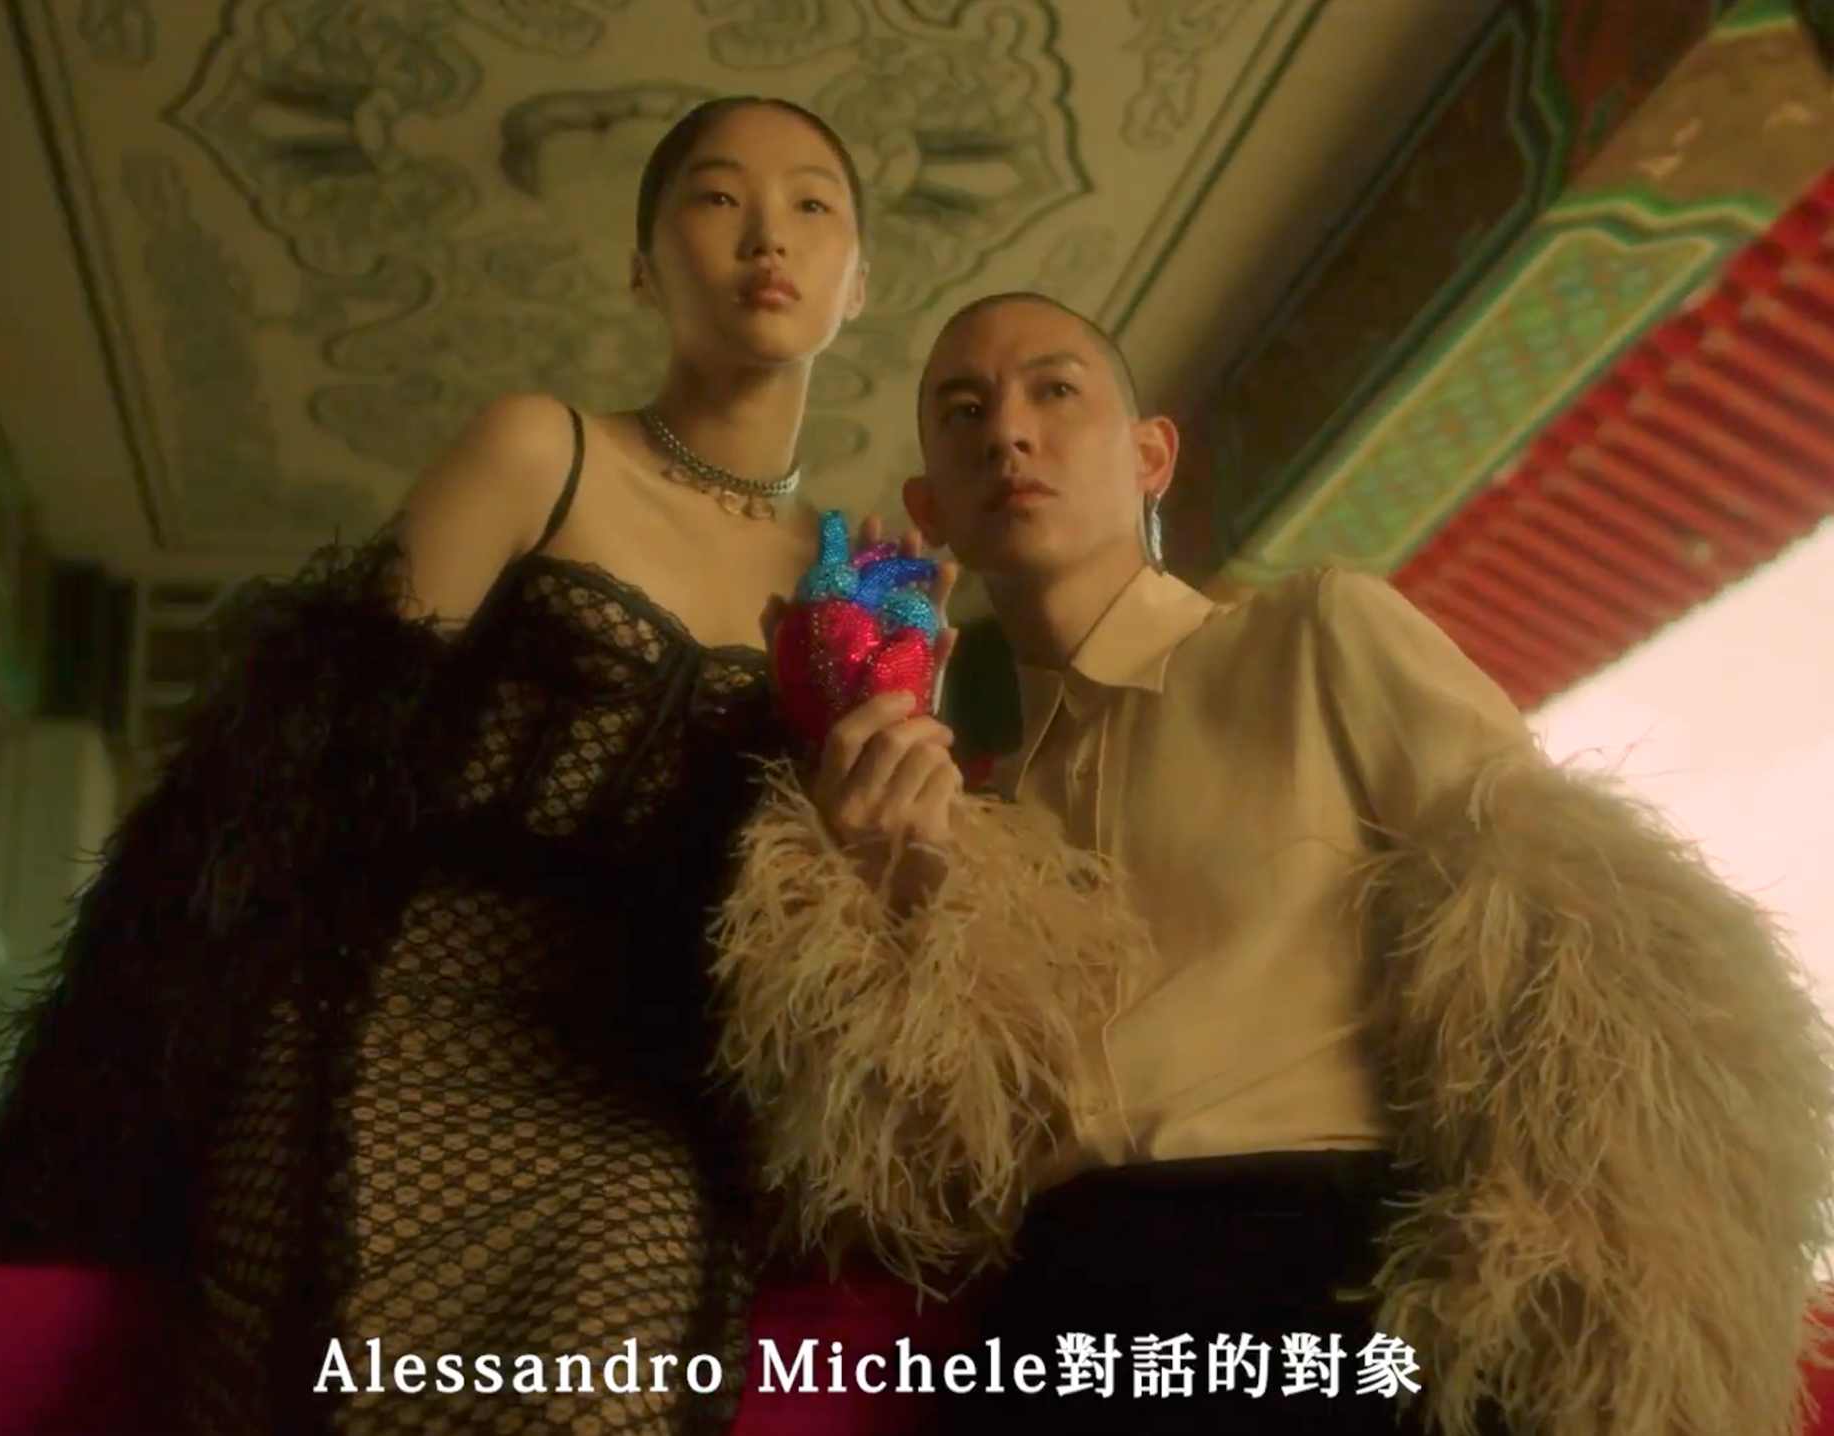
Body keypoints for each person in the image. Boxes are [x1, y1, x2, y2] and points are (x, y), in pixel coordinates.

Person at [0, 94, 974, 1436]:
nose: (767, 234)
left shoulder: (857, 581)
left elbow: (825, 914)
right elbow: (302, 760)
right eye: (716, 197)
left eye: (812, 204)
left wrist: (890, 720)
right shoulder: (541, 447)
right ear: (642, 265)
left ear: (859, 280)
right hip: (388, 1033)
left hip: (633, 1102)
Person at [713, 290, 1834, 1436]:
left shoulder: (1319, 635)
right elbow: (926, 1191)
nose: (1008, 431)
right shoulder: (983, 813)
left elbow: (1583, 968)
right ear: (930, 508)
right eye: (964, 412)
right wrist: (880, 902)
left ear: (1151, 456)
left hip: (1321, 1290)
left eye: (1055, 391)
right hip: (1057, 1327)